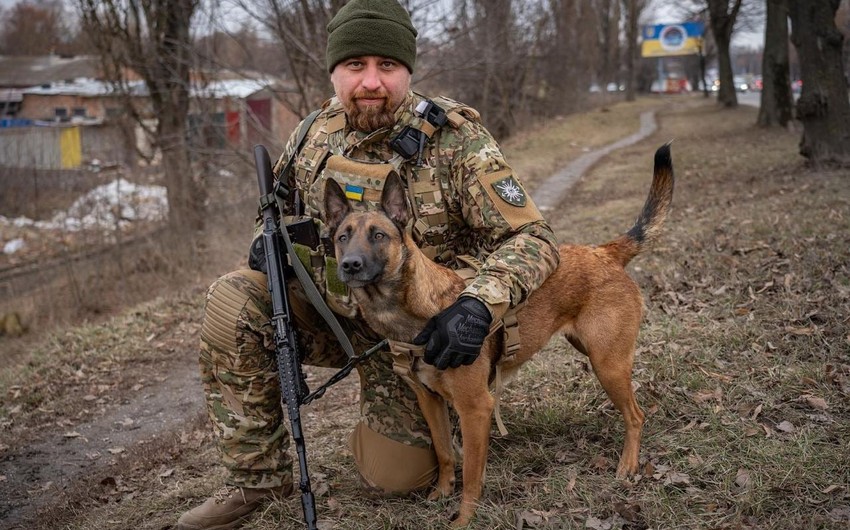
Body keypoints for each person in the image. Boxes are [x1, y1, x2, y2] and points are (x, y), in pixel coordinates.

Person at [177, 0, 559, 528]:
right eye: (356, 66)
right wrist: (266, 246)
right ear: (335, 71)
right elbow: (281, 215)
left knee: (396, 479)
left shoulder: (455, 140)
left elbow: (534, 238)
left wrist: (477, 304)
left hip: (426, 338)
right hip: (339, 319)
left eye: (388, 66)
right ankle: (255, 482)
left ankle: (443, 403)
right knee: (233, 298)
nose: (371, 82)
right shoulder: (312, 134)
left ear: (408, 70)